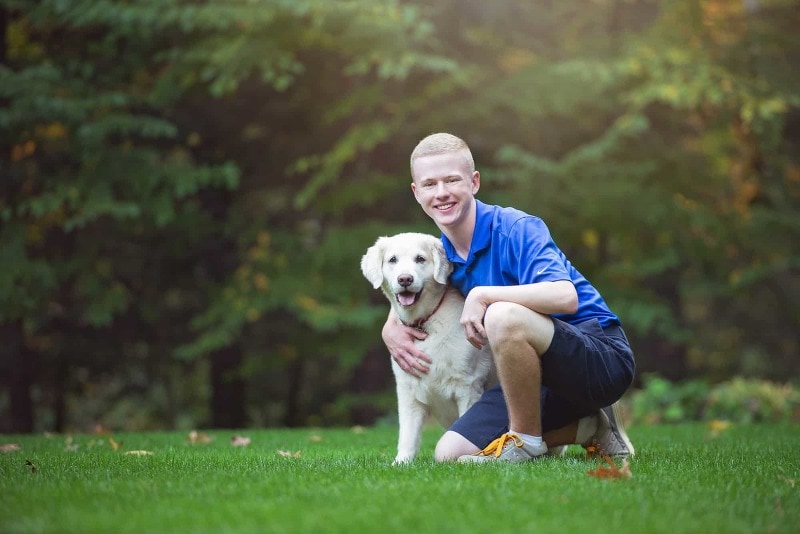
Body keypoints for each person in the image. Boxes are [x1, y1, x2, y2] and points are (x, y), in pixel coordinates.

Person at [381, 132, 636, 463]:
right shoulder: (440, 256)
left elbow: (565, 296)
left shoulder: (516, 228)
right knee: (449, 453)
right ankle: (589, 428)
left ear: (474, 182)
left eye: (452, 180)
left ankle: (524, 442)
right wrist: (391, 326)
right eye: (430, 184)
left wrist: (483, 295)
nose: (441, 192)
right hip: (528, 375)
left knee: (501, 315)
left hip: (599, 357)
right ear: (417, 193)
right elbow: (416, 288)